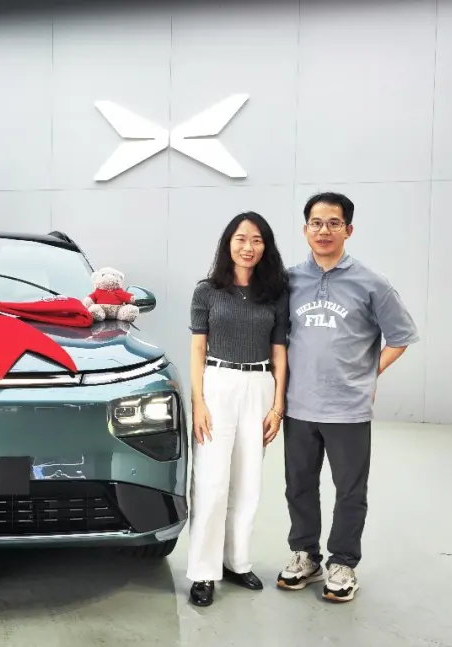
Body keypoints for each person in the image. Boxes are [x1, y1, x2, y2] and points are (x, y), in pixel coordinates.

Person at [276, 192, 419, 603]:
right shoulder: (288, 281)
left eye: (334, 223)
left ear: (348, 230)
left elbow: (401, 337)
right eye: (316, 223)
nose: (324, 231)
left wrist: (369, 373)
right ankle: (306, 555)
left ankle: (343, 563)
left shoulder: (372, 283)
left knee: (350, 491)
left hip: (348, 409)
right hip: (299, 405)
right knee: (299, 486)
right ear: (305, 229)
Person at [186, 211, 290, 607]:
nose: (249, 247)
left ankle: (236, 562)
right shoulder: (208, 291)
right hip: (218, 384)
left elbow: (279, 353)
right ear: (228, 243)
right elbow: (198, 349)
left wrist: (277, 406)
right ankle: (203, 572)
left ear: (266, 247)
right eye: (241, 239)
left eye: (257, 240)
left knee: (248, 482)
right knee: (211, 482)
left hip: (259, 386)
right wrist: (198, 402)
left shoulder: (275, 293)